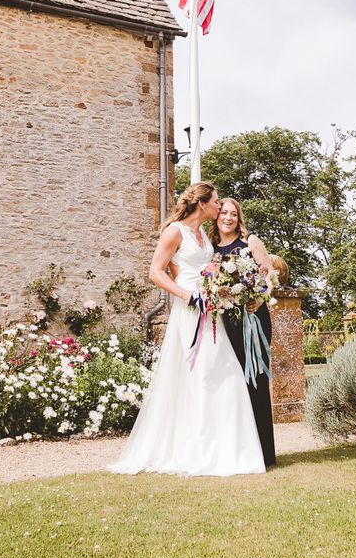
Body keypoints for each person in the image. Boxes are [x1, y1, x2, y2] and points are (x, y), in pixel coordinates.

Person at [108, 182, 265, 476]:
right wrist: (187, 295)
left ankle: (230, 450)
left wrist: (220, 287)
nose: (220, 208)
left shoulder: (203, 234)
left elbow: (208, 270)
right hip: (190, 311)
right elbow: (155, 272)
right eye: (217, 202)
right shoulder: (174, 231)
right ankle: (201, 451)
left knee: (226, 373)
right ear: (202, 204)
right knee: (203, 375)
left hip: (211, 309)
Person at [210, 198, 277, 467]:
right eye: (223, 213)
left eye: (233, 214)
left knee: (256, 382)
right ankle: (240, 450)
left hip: (254, 319)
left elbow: (269, 275)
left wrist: (258, 299)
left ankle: (265, 453)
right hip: (228, 321)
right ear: (216, 217)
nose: (228, 217)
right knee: (232, 384)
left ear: (239, 218)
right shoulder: (211, 249)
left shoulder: (250, 242)